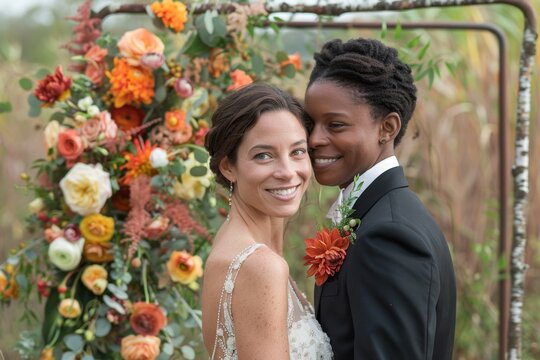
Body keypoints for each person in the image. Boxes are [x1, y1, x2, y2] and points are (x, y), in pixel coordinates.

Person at [304, 37, 456, 359]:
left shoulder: (388, 235)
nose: (314, 139)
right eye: (310, 123)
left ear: (386, 128)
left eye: (336, 124)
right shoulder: (377, 214)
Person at [202, 83, 333, 360]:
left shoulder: (231, 243)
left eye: (297, 151)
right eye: (264, 156)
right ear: (228, 167)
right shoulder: (261, 267)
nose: (287, 172)